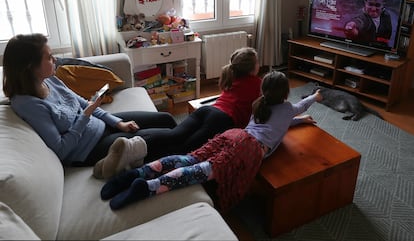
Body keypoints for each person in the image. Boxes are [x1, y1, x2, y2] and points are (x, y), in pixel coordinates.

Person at [100, 71, 323, 212]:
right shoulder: (287, 108)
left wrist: (299, 121)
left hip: (235, 135)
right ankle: (148, 188)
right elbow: (297, 109)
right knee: (201, 171)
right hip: (249, 148)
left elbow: (278, 124)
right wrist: (315, 97)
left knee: (190, 158)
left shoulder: (259, 104)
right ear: (285, 94)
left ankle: (135, 175)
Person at [2, 33, 177, 170]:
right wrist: (86, 115)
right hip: (88, 149)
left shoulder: (49, 79)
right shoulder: (27, 104)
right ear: (30, 67)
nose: (54, 59)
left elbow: (84, 104)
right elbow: (61, 150)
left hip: (99, 125)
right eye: (48, 57)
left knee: (166, 119)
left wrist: (118, 123)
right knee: (171, 137)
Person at [123, 47, 262, 163]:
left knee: (174, 134)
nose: (259, 65)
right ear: (251, 68)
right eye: (257, 62)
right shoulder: (258, 83)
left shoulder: (232, 77)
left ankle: (132, 145)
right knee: (184, 149)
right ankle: (142, 160)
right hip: (222, 120)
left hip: (207, 110)